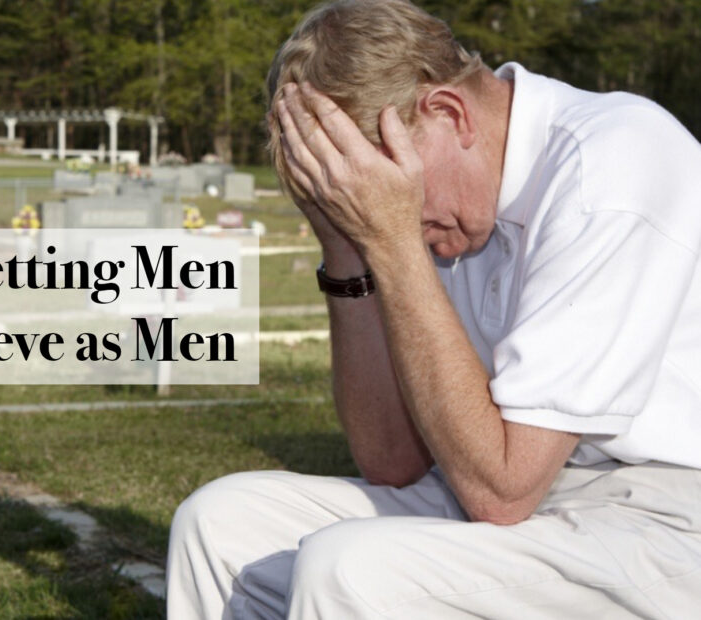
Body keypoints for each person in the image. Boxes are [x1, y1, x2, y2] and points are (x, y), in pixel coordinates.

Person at [166, 0, 701, 617]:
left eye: (385, 193)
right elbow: (393, 461)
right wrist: (347, 245)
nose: (391, 219)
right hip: (541, 499)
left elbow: (503, 490)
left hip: (664, 519)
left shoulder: (612, 159)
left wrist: (392, 241)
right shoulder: (457, 209)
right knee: (219, 524)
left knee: (348, 571)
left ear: (447, 113)